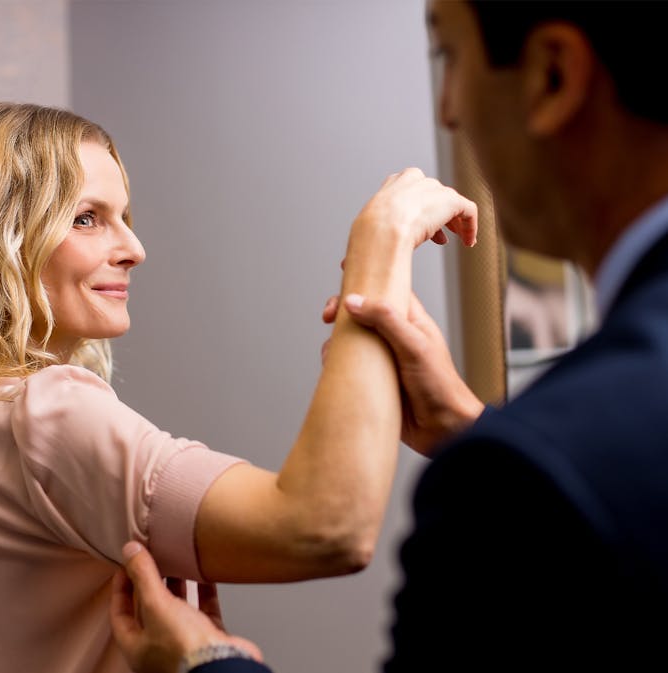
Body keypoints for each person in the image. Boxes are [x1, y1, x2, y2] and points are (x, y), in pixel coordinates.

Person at [109, 1, 668, 671]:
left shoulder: (525, 477)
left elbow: (326, 527)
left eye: (450, 58)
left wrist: (205, 664)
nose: (448, 110)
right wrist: (468, 424)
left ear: (552, 75)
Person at [0, 102, 477, 672]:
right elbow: (325, 527)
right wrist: (380, 247)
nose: (134, 248)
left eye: (123, 217)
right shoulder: (46, 412)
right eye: (86, 218)